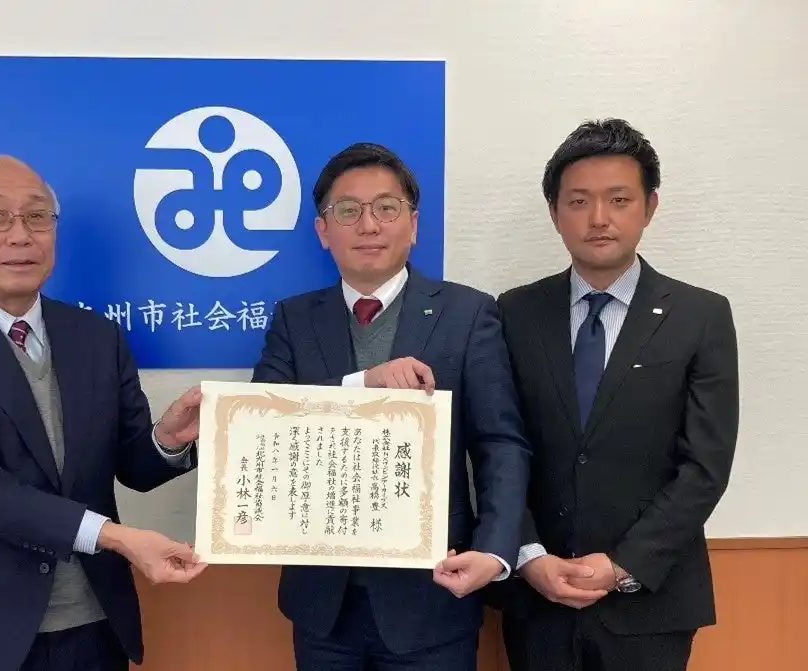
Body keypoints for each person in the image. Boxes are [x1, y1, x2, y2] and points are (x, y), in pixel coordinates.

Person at [0, 155, 207, 671]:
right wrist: (115, 537)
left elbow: (132, 467)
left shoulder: (96, 337)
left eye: (37, 216)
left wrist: (167, 439)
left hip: (96, 625)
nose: (20, 235)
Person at [251, 142, 531, 670]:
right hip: (322, 603)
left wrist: (495, 551)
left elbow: (500, 443)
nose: (369, 225)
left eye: (386, 207)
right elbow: (262, 425)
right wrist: (364, 384)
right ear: (322, 231)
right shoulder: (294, 318)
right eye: (348, 211)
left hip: (435, 594)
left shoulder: (468, 313)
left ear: (413, 224)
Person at [494, 119, 740, 671]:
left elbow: (705, 466)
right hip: (539, 597)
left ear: (649, 207)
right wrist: (529, 555)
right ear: (554, 212)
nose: (599, 218)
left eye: (619, 199)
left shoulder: (700, 315)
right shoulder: (515, 312)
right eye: (578, 201)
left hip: (651, 601)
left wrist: (623, 565)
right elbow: (497, 446)